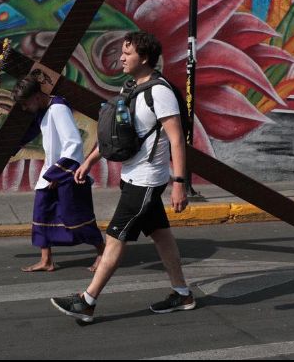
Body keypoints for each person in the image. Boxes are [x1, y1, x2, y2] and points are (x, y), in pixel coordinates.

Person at [50, 31, 193, 323]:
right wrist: (90, 160)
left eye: (127, 53)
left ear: (145, 57)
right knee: (162, 236)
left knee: (114, 239)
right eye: (122, 52)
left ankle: (87, 301)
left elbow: (177, 140)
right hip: (133, 176)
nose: (121, 58)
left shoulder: (160, 93)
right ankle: (182, 293)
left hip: (147, 181)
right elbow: (118, 131)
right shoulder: (131, 88)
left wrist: (179, 183)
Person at [0, 75, 105, 272]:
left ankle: (103, 253)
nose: (24, 108)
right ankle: (46, 260)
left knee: (77, 217)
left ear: (37, 96)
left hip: (67, 174)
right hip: (51, 173)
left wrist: (58, 174)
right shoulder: (43, 111)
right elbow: (24, 135)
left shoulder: (58, 109)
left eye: (25, 103)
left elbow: (74, 143)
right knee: (42, 214)